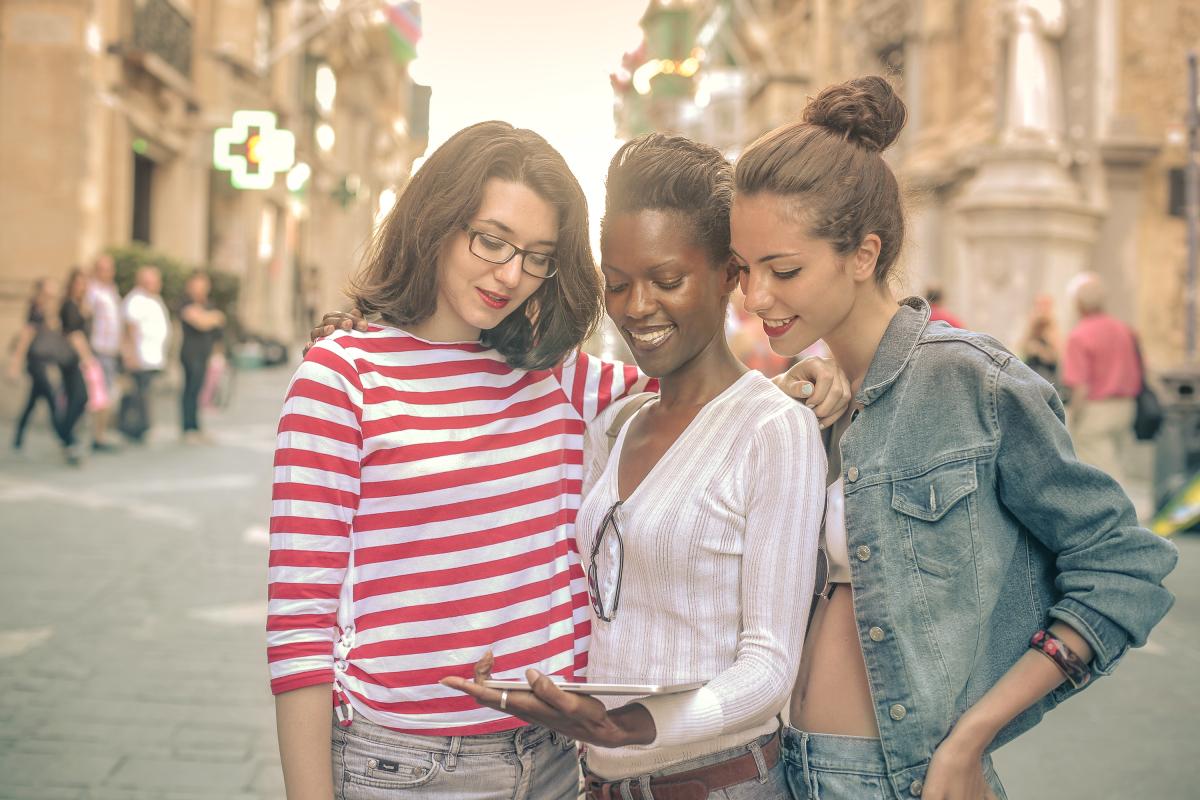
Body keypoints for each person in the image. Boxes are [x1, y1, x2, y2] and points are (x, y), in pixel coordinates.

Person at [278, 122, 844, 800]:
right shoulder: (342, 377)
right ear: (434, 220)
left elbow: (702, 403)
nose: (510, 274)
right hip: (406, 767)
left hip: (557, 765)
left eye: (537, 255)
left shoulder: (557, 376)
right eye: (490, 240)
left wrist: (804, 380)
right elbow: (299, 628)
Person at [729, 76, 1176, 800]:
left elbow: (1122, 568)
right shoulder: (800, 406)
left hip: (903, 781)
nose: (755, 298)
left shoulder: (973, 383)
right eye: (742, 271)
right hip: (785, 770)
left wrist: (971, 738)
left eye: (783, 270)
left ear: (863, 255)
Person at [443, 135, 826, 799]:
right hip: (600, 784)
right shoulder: (616, 422)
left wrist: (637, 727)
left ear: (729, 274)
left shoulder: (774, 428)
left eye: (667, 281)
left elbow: (768, 668)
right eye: (616, 285)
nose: (636, 307)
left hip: (720, 784)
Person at [1061, 272, 1142, 487]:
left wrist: (1074, 417)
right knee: (1118, 464)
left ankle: (1120, 519)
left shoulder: (1079, 335)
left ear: (1078, 304)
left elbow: (1080, 386)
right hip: (1126, 407)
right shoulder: (1123, 329)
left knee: (1105, 474)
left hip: (1096, 410)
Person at [7, 278, 78, 462]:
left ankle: (17, 439)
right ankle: (66, 441)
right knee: (52, 401)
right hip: (37, 364)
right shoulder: (35, 311)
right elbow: (25, 338)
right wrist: (15, 364)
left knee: (32, 402)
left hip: (47, 362)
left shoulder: (50, 312)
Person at [120, 265, 170, 443]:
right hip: (141, 356)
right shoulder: (135, 300)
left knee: (144, 392)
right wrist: (132, 354)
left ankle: (141, 426)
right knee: (138, 393)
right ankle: (134, 428)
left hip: (152, 357)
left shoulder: (153, 299)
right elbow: (130, 328)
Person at [178, 271, 225, 443]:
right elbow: (201, 322)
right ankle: (187, 428)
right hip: (190, 354)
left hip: (205, 354)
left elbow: (219, 323)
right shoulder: (185, 303)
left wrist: (209, 318)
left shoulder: (208, 304)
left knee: (199, 391)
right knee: (190, 390)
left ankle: (197, 427)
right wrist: (211, 318)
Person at [86, 254, 123, 451]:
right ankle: (95, 436)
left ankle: (99, 435)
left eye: (109, 269)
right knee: (98, 395)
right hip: (97, 349)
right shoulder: (91, 291)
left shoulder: (111, 290)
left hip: (111, 350)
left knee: (106, 395)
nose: (107, 273)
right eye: (102, 269)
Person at [58, 267, 94, 459]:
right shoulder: (69, 305)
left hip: (77, 358)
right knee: (80, 397)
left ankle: (67, 436)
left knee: (76, 397)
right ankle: (65, 434)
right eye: (79, 283)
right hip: (71, 359)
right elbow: (74, 334)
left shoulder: (81, 305)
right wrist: (87, 358)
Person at [1018, 293, 1061, 392]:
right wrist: (1031, 327)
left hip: (1048, 378)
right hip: (1030, 375)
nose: (1042, 309)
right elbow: (1021, 349)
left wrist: (1039, 350)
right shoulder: (1030, 325)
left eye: (1045, 305)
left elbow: (1056, 356)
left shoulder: (1054, 327)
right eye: (1039, 305)